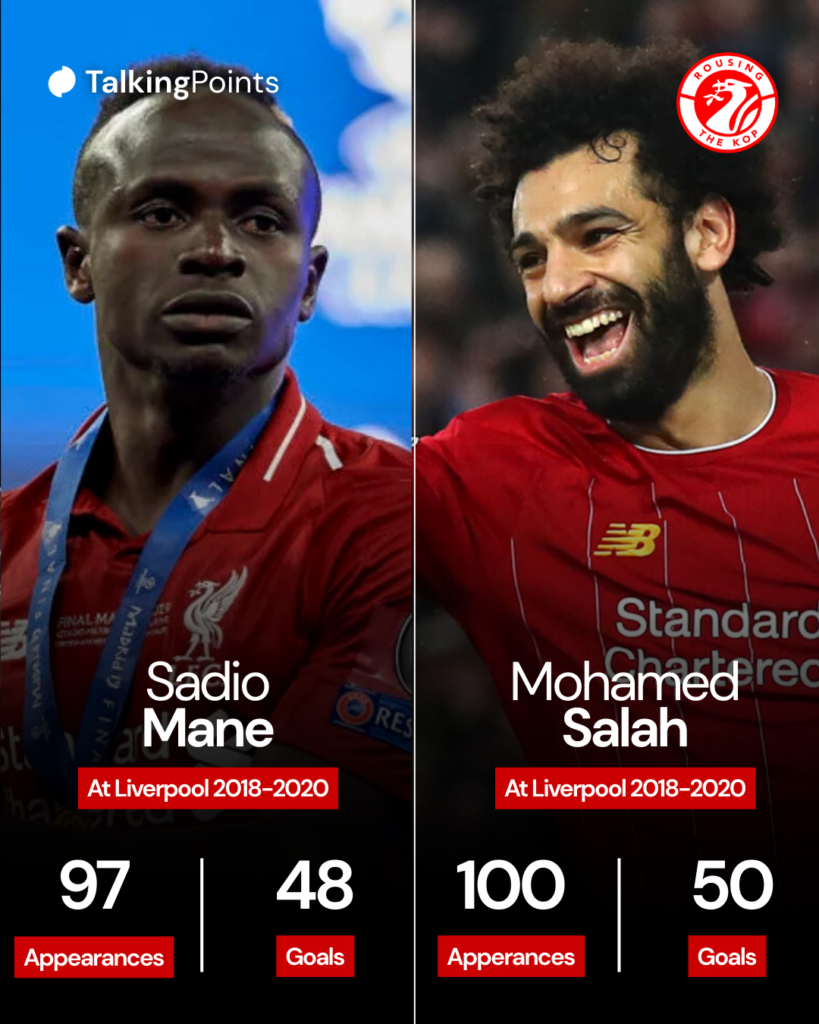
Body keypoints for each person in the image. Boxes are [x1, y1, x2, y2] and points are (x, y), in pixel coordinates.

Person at [417, 39, 818, 938]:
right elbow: (271, 501)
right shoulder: (490, 473)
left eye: (597, 235)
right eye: (530, 258)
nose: (558, 286)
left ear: (708, 233)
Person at [0, 57, 411, 834]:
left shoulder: (401, 520)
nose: (217, 250)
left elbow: (315, 854)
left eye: (262, 220)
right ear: (77, 262)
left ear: (312, 282)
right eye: (162, 213)